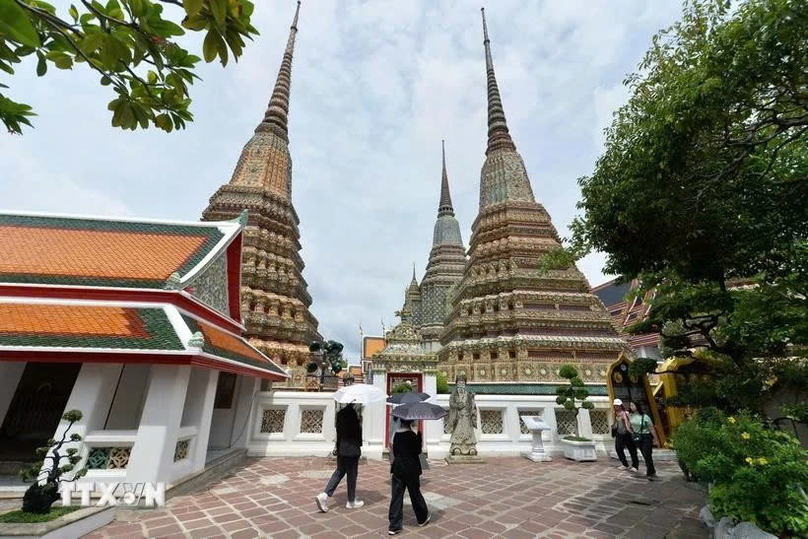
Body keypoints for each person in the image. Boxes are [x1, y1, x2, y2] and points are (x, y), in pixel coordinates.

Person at [315, 404, 363, 512]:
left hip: (341, 448)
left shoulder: (340, 414)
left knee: (339, 471)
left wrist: (337, 447)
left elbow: (338, 433)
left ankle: (324, 495)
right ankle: (351, 501)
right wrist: (359, 423)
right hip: (352, 449)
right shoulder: (355, 415)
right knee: (352, 475)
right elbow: (358, 436)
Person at [388, 419, 429, 535]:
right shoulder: (412, 435)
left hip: (398, 469)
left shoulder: (396, 435)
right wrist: (419, 436)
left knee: (396, 496)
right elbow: (417, 451)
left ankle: (394, 526)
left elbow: (395, 452)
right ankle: (422, 518)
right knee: (415, 494)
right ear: (410, 422)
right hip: (411, 470)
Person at [629, 401, 659, 480]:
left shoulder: (645, 417)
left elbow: (652, 429)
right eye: (630, 405)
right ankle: (652, 471)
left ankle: (649, 473)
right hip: (638, 437)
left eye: (632, 405)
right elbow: (629, 425)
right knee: (645, 455)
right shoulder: (631, 416)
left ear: (637, 406)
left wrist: (656, 439)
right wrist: (632, 432)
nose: (631, 407)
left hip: (646, 437)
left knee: (647, 454)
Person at [612, 398, 639, 473]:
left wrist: (631, 430)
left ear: (621, 405)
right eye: (615, 405)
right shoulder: (615, 413)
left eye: (617, 405)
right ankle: (625, 464)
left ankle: (635, 465)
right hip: (619, 433)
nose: (616, 407)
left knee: (632, 450)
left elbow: (630, 423)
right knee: (618, 448)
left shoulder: (626, 413)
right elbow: (615, 423)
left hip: (627, 433)